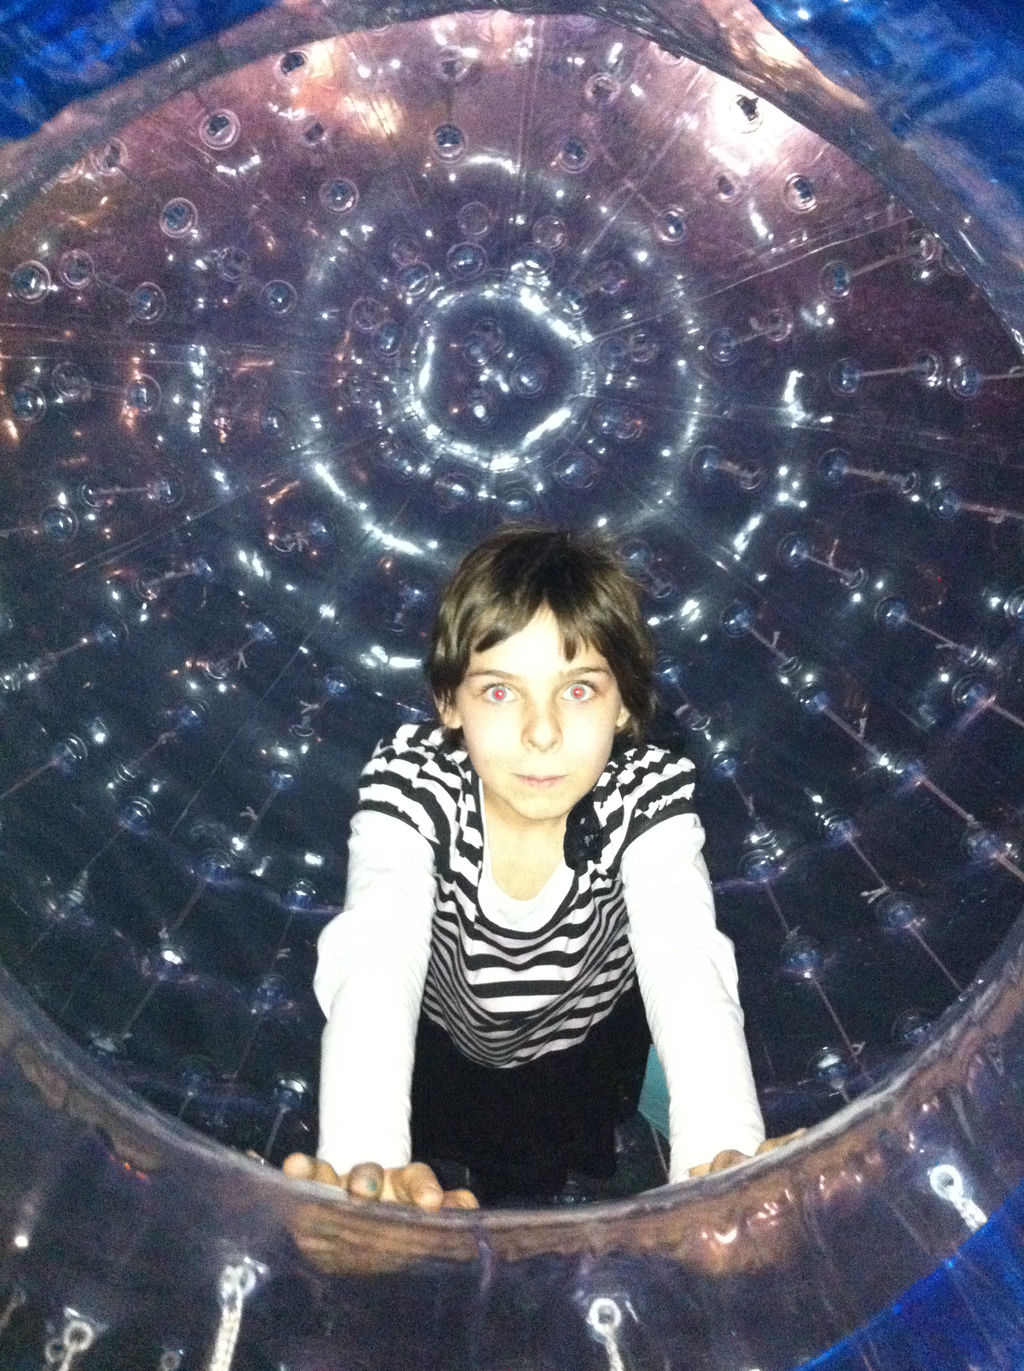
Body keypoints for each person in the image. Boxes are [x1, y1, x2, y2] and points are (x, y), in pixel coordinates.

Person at [284, 526, 784, 1212]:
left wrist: (719, 1155)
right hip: (447, 1044)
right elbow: (375, 947)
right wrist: (362, 1158)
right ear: (448, 703)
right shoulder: (414, 783)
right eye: (499, 692)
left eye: (578, 690)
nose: (541, 731)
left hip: (578, 1050)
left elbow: (687, 957)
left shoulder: (645, 795)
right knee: (453, 1151)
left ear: (626, 703)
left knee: (539, 1176)